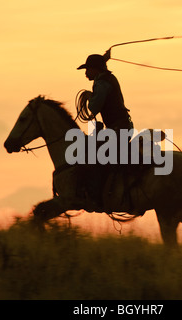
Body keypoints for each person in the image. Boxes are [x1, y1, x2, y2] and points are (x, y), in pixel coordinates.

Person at [77, 53, 134, 211]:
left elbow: (94, 108)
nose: (86, 72)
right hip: (122, 126)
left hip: (118, 129)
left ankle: (103, 194)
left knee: (95, 156)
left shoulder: (101, 83)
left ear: (96, 69)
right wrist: (104, 58)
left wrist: (90, 96)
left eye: (88, 69)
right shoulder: (107, 78)